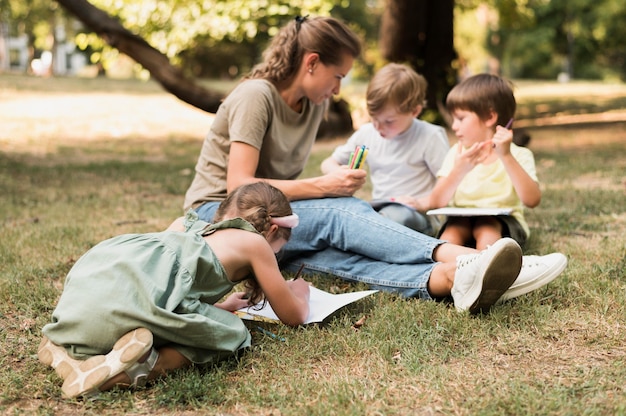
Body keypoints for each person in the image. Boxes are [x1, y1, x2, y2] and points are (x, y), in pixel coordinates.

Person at [183, 16, 567, 317]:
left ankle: (449, 280)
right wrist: (324, 187)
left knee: (333, 261)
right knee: (341, 213)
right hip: (220, 215)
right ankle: (470, 259)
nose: (337, 89)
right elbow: (239, 184)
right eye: (338, 77)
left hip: (270, 220)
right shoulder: (256, 96)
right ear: (312, 63)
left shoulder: (312, 106)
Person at [38, 182, 311, 399]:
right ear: (273, 229)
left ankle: (66, 349)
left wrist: (221, 306)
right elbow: (294, 316)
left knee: (206, 317)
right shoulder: (254, 242)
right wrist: (300, 292)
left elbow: (159, 284)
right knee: (233, 333)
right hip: (122, 309)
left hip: (88, 302)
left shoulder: (185, 225)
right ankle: (135, 370)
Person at [321, 63, 449, 236]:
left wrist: (423, 203)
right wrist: (340, 173)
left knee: (395, 219)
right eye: (374, 118)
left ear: (415, 111)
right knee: (342, 214)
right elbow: (328, 163)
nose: (379, 127)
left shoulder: (430, 136)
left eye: (389, 121)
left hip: (417, 216)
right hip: (380, 211)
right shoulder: (367, 133)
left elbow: (448, 183)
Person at [429, 73, 539, 250]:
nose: (454, 126)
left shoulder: (519, 155)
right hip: (459, 220)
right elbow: (435, 202)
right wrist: (459, 170)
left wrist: (506, 156)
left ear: (489, 117)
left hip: (502, 223)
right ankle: (451, 268)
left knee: (486, 226)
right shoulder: (456, 154)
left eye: (461, 118)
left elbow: (532, 200)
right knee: (451, 234)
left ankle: (487, 266)